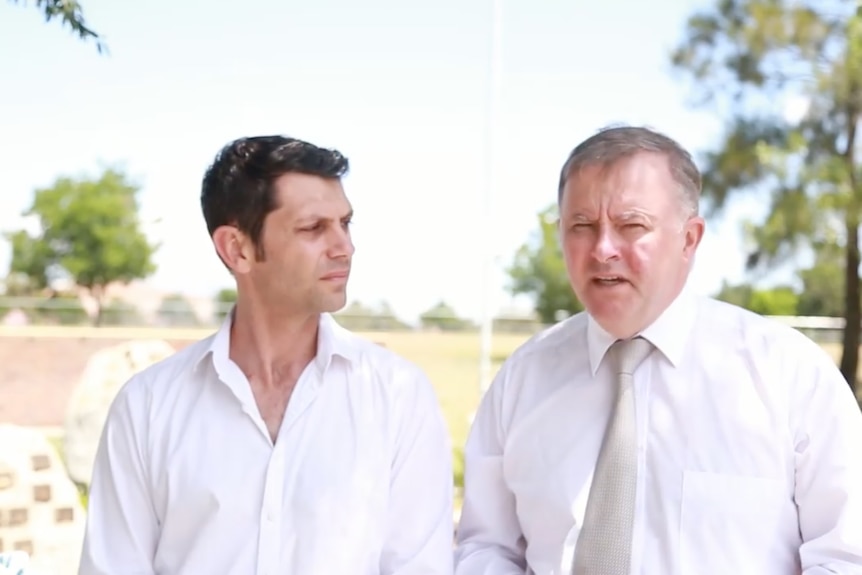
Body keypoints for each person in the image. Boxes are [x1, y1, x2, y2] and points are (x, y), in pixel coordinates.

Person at [453, 125, 862, 574]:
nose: (603, 249)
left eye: (631, 225)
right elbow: (486, 546)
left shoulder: (790, 376)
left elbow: (845, 557)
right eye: (582, 226)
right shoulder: (522, 380)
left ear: (690, 239)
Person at [78, 135, 454, 574]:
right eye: (313, 228)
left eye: (345, 223)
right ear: (236, 249)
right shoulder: (147, 407)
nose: (344, 246)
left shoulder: (398, 397)